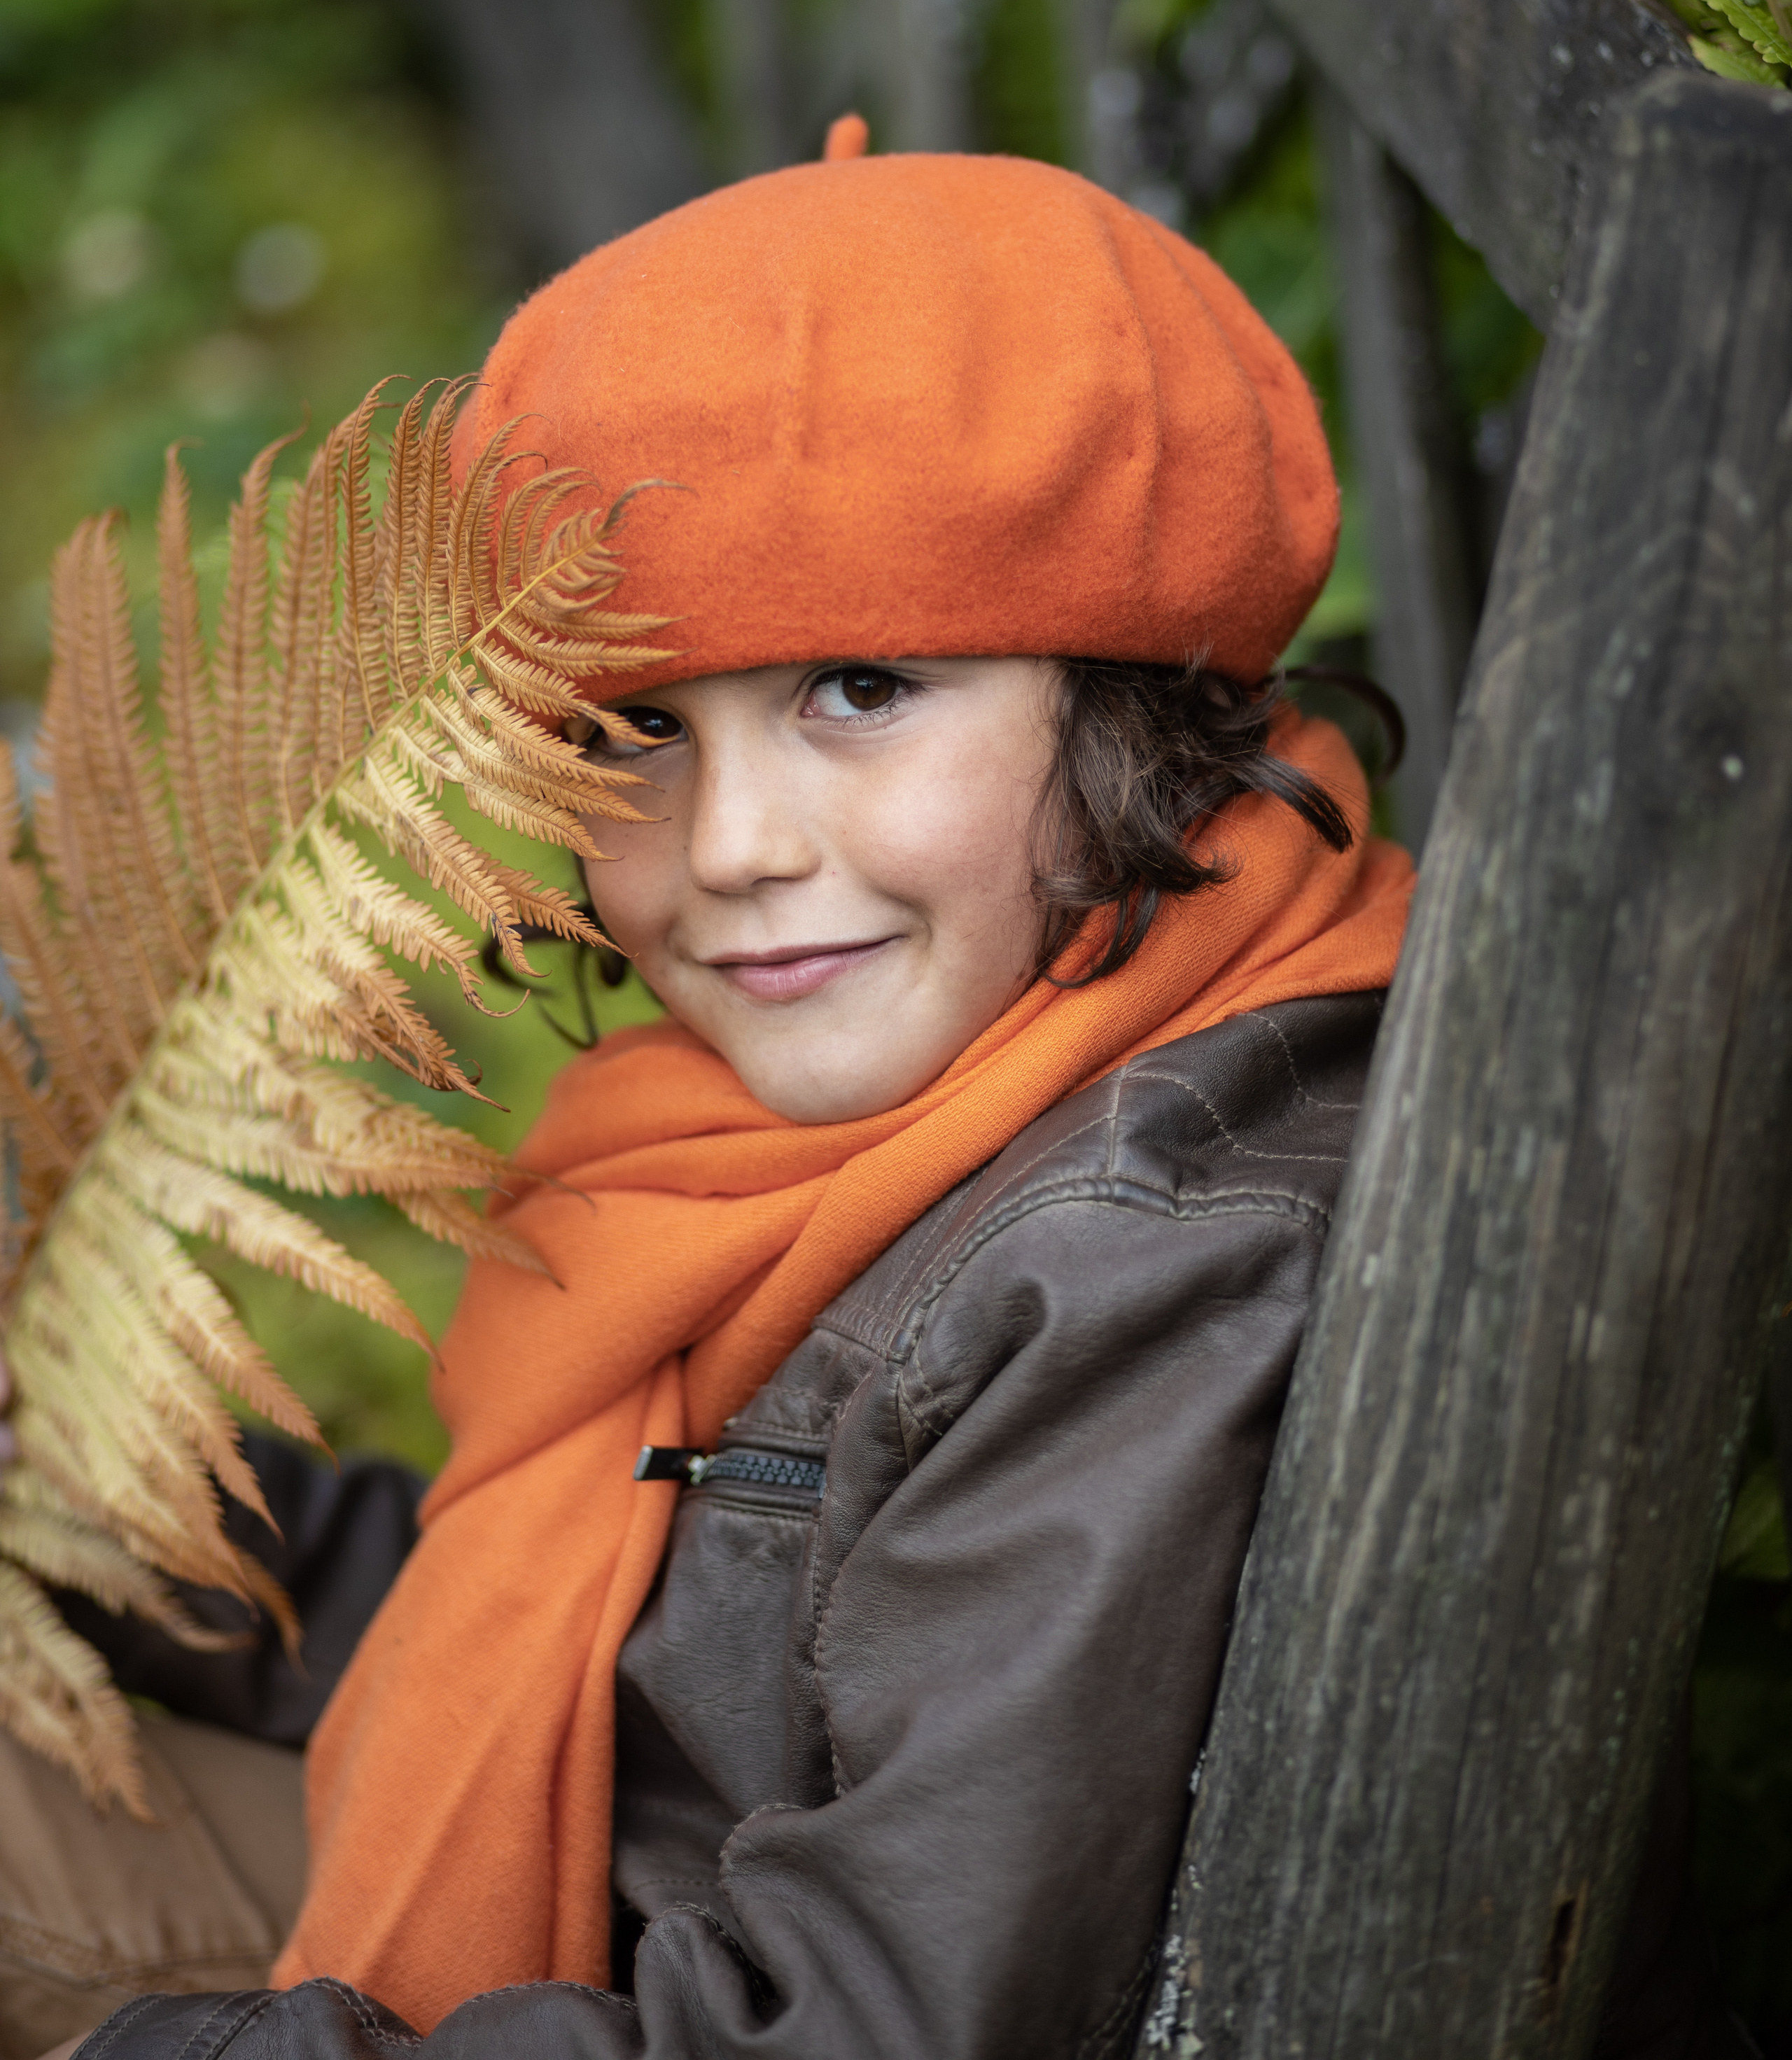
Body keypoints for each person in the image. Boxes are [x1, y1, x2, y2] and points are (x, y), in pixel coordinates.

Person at [1, 129, 1738, 2060]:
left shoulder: (1144, 1270)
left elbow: (859, 2028)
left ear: (1133, 690)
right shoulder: (838, 1129)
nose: (736, 844)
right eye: (632, 727)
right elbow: (563, 1634)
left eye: (860, 687)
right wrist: (91, 1524)